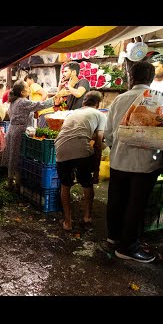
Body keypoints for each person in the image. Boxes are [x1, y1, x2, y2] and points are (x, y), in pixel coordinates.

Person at [104, 61, 161, 263]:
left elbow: (108, 134)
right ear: (151, 78)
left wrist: (118, 147)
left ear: (131, 77)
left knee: (116, 201)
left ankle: (113, 237)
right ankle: (127, 247)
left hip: (119, 161)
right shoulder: (158, 100)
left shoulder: (119, 100)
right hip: (145, 165)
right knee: (135, 205)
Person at [54, 91, 106, 232]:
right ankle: (87, 217)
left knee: (65, 184)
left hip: (60, 147)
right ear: (98, 104)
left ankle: (67, 222)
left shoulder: (72, 113)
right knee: (87, 183)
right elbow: (98, 143)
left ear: (84, 102)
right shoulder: (100, 115)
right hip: (81, 150)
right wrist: (96, 170)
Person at [1, 80, 62, 190]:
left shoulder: (14, 101)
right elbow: (40, 105)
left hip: (13, 130)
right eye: (27, 88)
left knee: (14, 156)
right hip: (19, 132)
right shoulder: (22, 101)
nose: (29, 89)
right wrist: (54, 99)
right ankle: (14, 184)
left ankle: (12, 182)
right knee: (18, 157)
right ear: (22, 91)